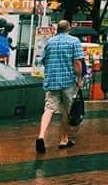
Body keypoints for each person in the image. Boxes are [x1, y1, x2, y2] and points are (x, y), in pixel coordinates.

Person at [35, 20, 84, 153]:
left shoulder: (50, 42)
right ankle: (63, 139)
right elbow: (78, 63)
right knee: (66, 110)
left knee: (49, 108)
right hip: (68, 81)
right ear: (69, 28)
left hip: (52, 81)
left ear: (58, 29)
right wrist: (79, 79)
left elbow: (44, 60)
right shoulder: (74, 41)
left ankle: (41, 136)